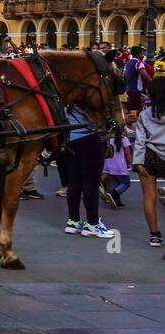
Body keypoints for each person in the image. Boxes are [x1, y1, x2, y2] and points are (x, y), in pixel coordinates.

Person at [61, 101, 114, 239]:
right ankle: (93, 224)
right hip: (89, 138)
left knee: (74, 182)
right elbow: (97, 117)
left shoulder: (65, 96)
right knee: (91, 183)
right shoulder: (87, 95)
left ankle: (73, 221)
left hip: (69, 139)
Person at [133, 76, 165, 251]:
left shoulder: (145, 114)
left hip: (150, 157)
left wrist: (138, 162)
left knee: (149, 197)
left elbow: (140, 141)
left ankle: (154, 235)